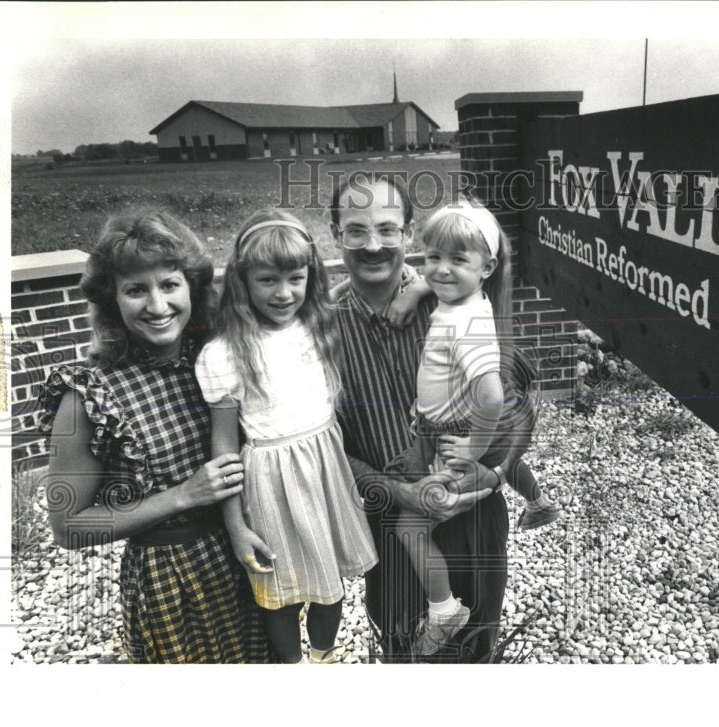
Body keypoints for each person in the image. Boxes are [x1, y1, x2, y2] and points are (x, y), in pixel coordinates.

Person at [38, 209, 273, 663]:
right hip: (171, 577)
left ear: (192, 286)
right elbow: (69, 526)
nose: (158, 305)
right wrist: (183, 495)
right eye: (135, 290)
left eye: (169, 284)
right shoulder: (87, 394)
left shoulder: (214, 357)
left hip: (245, 551)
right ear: (112, 301)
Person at [329, 173, 532, 662]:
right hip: (389, 521)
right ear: (335, 235)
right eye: (356, 230)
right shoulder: (320, 327)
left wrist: (494, 470)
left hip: (473, 514)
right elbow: (326, 448)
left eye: (387, 228)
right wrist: (400, 491)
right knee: (403, 653)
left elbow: (522, 403)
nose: (372, 244)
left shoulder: (453, 300)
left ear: (407, 232)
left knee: (475, 655)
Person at [195, 209, 377, 664]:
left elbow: (370, 290)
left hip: (326, 468)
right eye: (267, 280)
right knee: (281, 590)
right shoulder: (224, 353)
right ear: (242, 281)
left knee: (330, 580)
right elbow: (222, 446)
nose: (283, 293)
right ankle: (291, 670)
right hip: (271, 478)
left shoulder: (319, 325)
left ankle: (322, 656)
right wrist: (235, 525)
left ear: (310, 277)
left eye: (295, 278)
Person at [381, 200, 560, 656]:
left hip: (452, 443)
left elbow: (492, 396)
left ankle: (443, 609)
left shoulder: (469, 326)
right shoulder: (463, 301)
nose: (439, 270)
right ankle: (537, 501)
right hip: (441, 431)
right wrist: (416, 290)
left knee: (409, 525)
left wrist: (475, 449)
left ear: (487, 267)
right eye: (432, 256)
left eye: (457, 260)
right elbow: (440, 277)